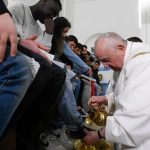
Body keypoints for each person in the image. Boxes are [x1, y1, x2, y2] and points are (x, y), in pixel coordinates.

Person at [83, 32, 150, 150]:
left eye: (106, 60)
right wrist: (106, 99)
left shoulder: (143, 64)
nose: (106, 66)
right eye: (102, 61)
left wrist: (98, 135)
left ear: (120, 48)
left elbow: (133, 121)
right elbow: (126, 94)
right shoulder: (128, 63)